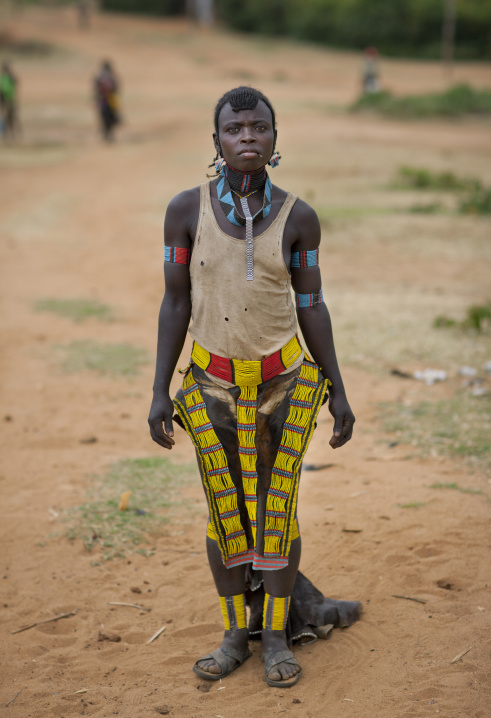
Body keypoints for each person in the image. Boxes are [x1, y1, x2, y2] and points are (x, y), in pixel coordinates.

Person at [148, 86, 359, 688]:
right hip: (209, 387)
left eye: (259, 127)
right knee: (225, 515)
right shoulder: (185, 212)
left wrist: (337, 391)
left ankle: (274, 637)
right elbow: (175, 301)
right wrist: (160, 390)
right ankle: (235, 633)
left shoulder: (300, 218)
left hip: (286, 386)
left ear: (275, 138)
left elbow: (312, 305)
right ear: (215, 141)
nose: (247, 137)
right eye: (234, 128)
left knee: (278, 510)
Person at [93, 60, 120, 142]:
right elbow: (116, 88)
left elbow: (95, 88)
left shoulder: (99, 76)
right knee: (113, 116)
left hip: (102, 100)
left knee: (103, 117)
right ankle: (110, 134)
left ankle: (106, 134)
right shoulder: (112, 76)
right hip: (111, 99)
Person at [0, 62, 19, 141]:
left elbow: (16, 82)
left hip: (10, 100)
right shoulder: (3, 79)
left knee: (12, 118)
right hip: (5, 101)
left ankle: (12, 134)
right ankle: (5, 134)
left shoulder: (10, 78)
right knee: (5, 118)